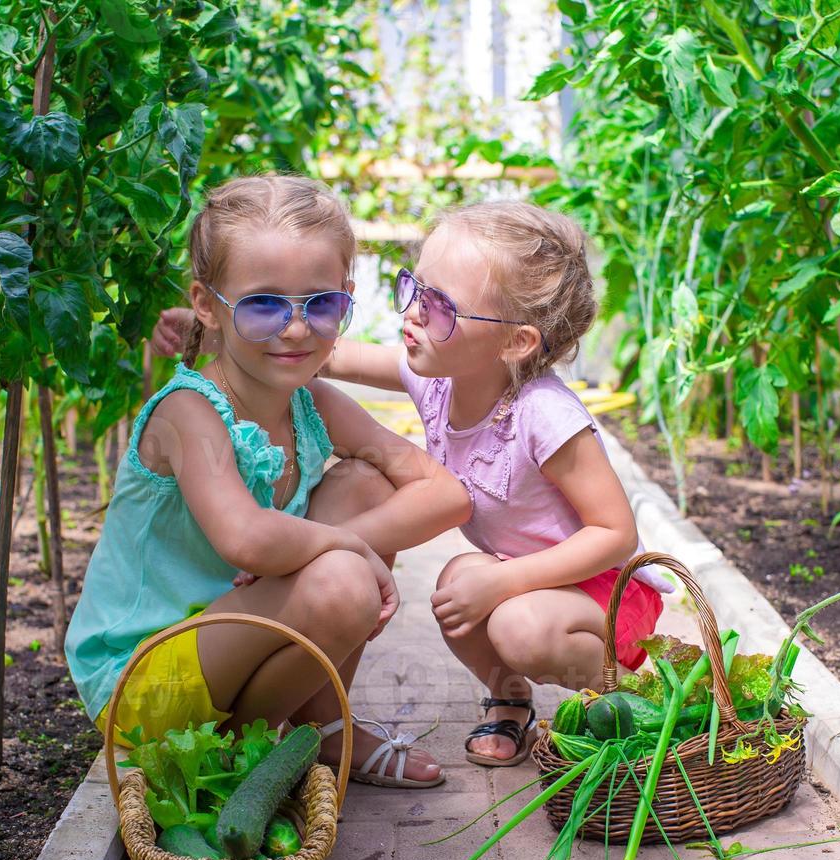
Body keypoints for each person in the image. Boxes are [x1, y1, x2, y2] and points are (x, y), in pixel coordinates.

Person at [152, 201, 669, 768]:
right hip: (535, 584)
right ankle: (511, 697)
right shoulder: (441, 379)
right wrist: (217, 332)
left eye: (441, 307)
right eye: (415, 289)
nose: (414, 315)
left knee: (515, 623)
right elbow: (324, 354)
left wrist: (506, 583)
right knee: (455, 590)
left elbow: (615, 533)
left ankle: (634, 701)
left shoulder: (545, 415)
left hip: (608, 593)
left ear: (516, 343)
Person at [67, 175, 470, 789]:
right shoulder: (190, 413)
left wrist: (344, 541)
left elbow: (447, 493)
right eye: (263, 306)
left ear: (346, 298)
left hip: (231, 633)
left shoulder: (312, 402)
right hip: (147, 679)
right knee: (342, 583)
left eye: (322, 304)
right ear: (207, 305)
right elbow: (246, 541)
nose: (296, 329)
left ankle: (321, 731)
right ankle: (241, 757)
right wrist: (347, 551)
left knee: (365, 486)